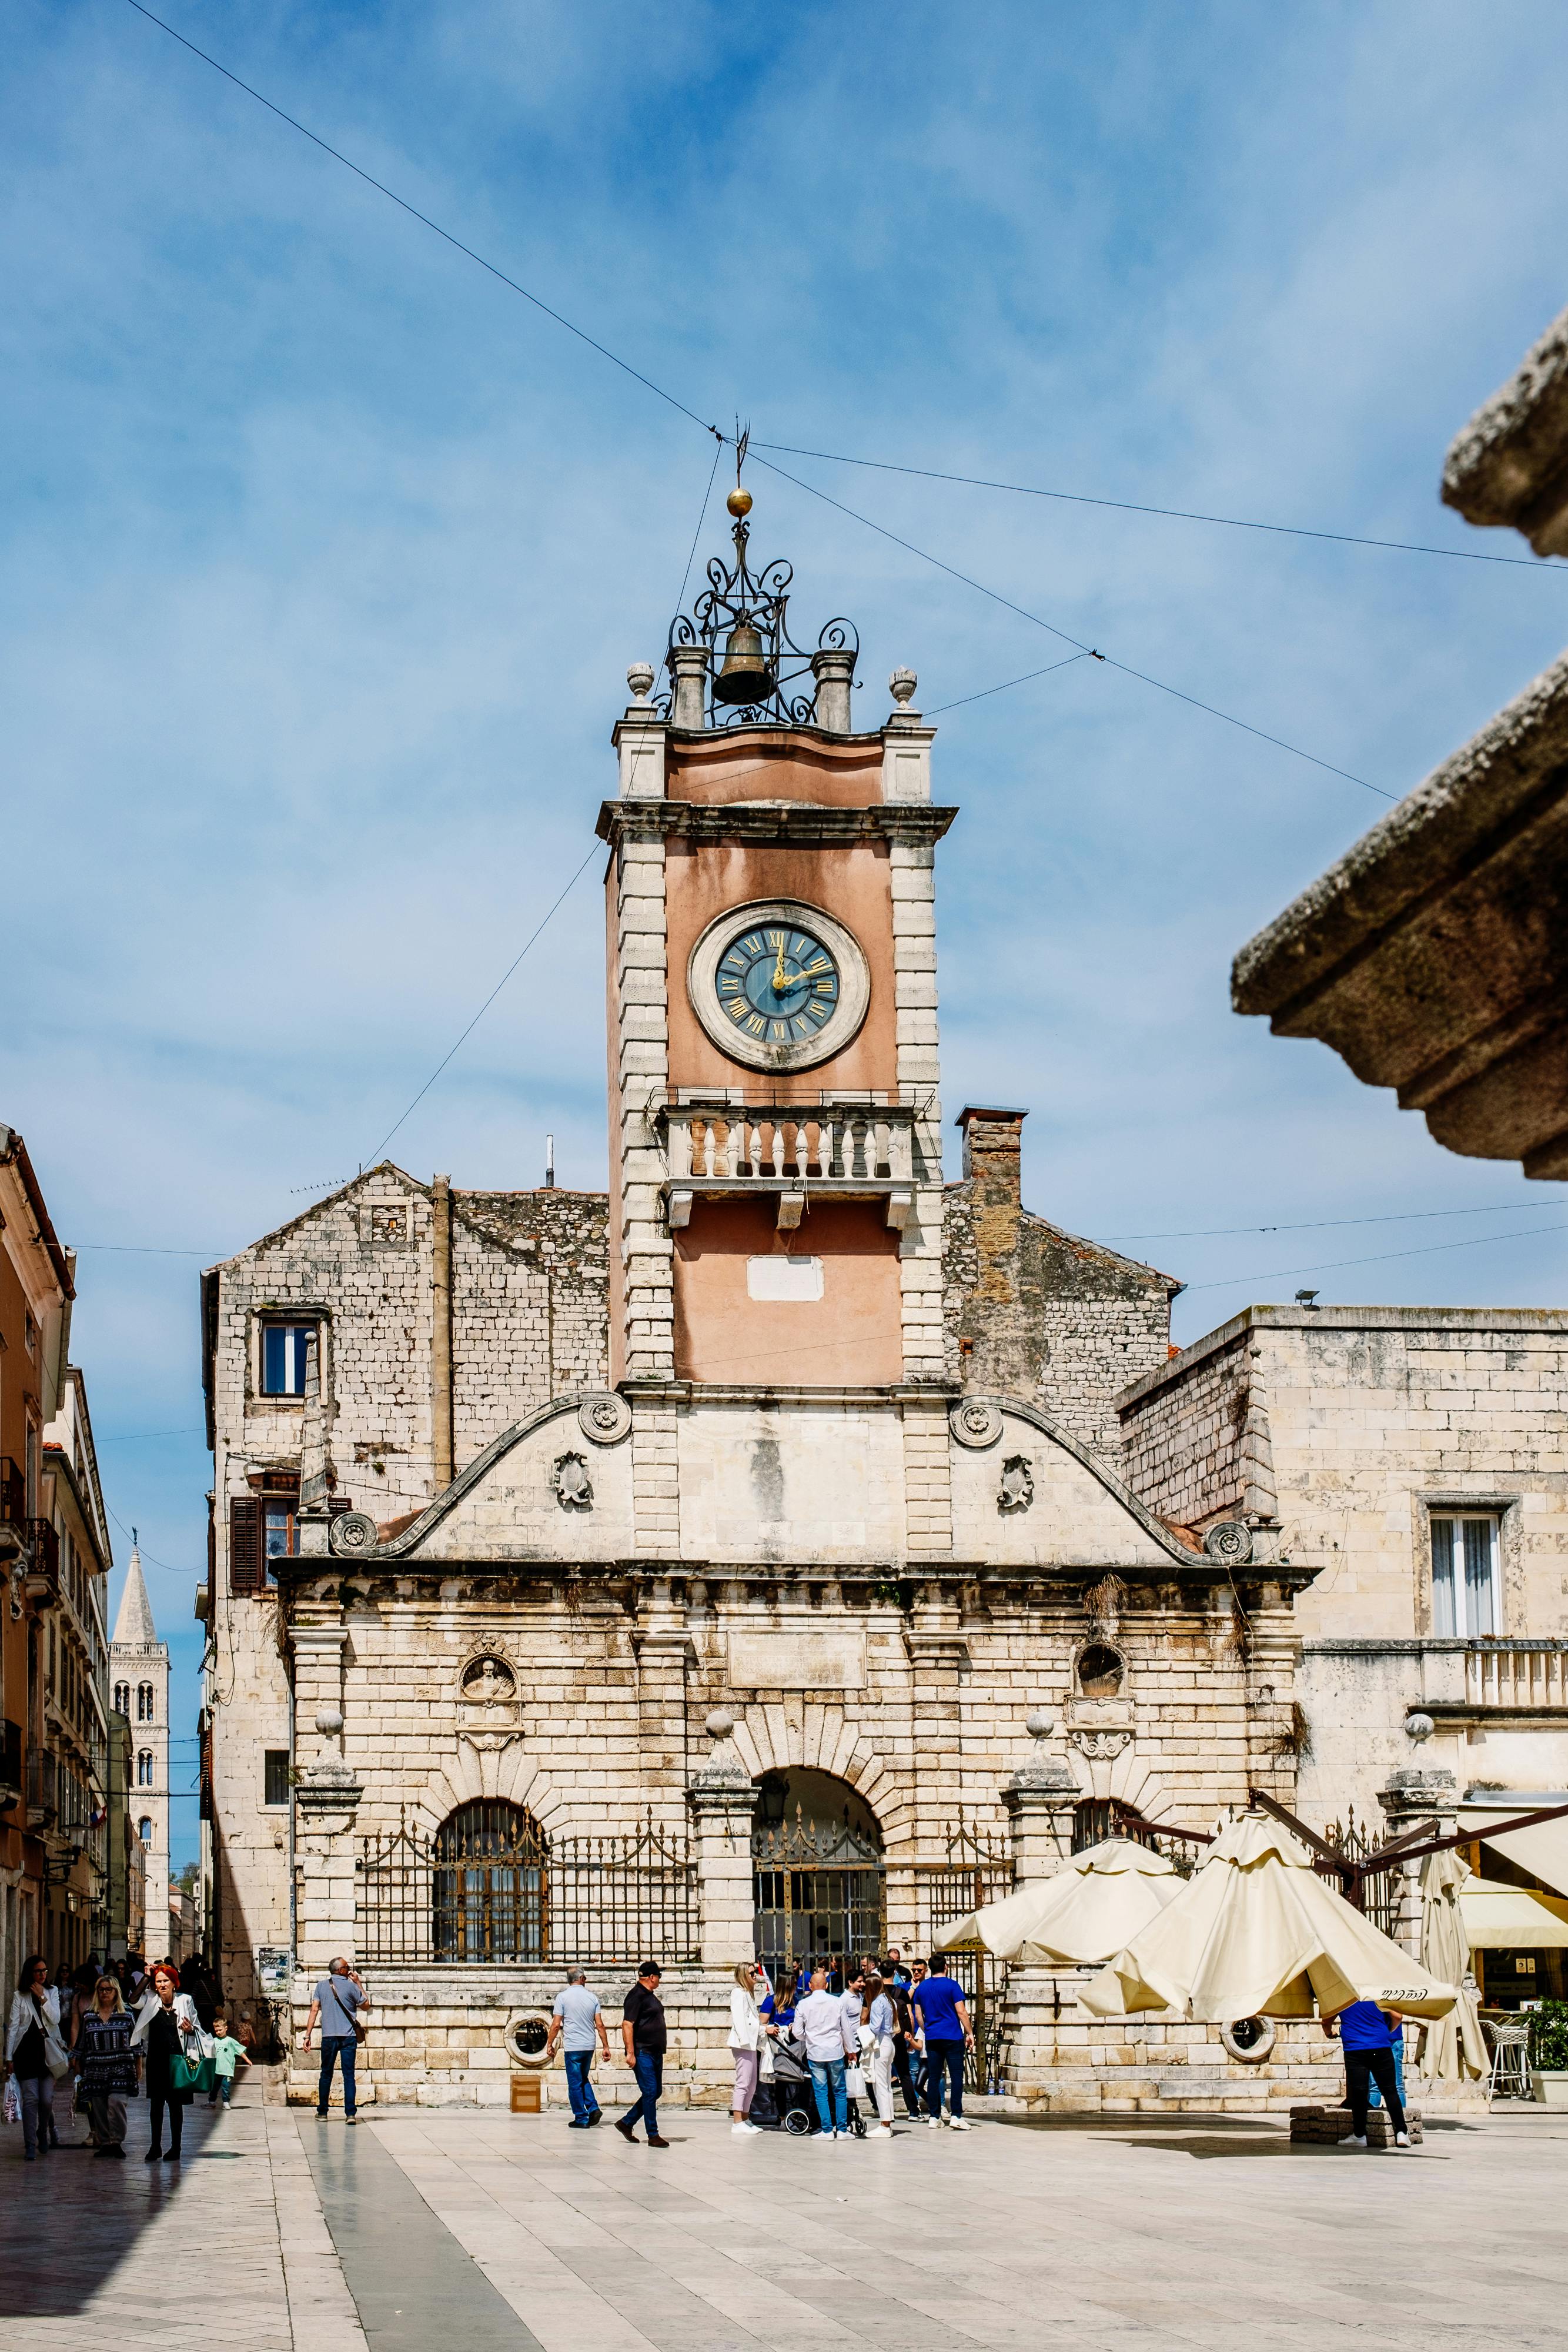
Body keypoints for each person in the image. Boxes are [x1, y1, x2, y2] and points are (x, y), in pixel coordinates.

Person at [129, 1961, 202, 2161]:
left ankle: (176, 2147)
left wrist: (190, 2030)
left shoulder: (185, 2001)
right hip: (157, 2059)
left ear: (174, 1983)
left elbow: (197, 2027)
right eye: (158, 1981)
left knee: (175, 2106)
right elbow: (133, 2000)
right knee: (156, 2105)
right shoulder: (151, 2000)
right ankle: (155, 2146)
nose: (162, 1985)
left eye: (166, 1981)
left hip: (177, 2060)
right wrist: (146, 1977)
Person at [5, 1955, 66, 2161]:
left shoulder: (52, 1991)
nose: (42, 1974)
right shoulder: (19, 1996)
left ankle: (43, 2130)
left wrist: (42, 1998)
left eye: (45, 1971)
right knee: (31, 2099)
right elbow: (13, 2027)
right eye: (38, 1971)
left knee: (46, 2100)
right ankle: (30, 2143)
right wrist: (8, 2058)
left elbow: (56, 2019)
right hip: (25, 2054)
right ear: (30, 1973)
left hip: (47, 2054)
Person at [1324, 2001, 1410, 2148]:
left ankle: (1359, 2135)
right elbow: (1398, 2017)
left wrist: (1330, 2034)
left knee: (1359, 2093)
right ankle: (1402, 2133)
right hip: (1381, 2046)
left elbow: (1326, 2022)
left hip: (1354, 2049)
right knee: (1390, 2091)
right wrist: (1386, 2032)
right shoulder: (1375, 1995)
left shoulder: (1342, 1999)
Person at [74, 1975, 138, 2157]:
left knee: (116, 2102)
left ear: (116, 1991)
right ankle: (105, 2142)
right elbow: (82, 2042)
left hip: (121, 2067)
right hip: (96, 2069)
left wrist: (139, 2065)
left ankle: (116, 2141)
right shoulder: (89, 2015)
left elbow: (136, 2041)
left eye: (108, 1989)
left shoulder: (126, 2014)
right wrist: (77, 2062)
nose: (104, 1993)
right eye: (101, 1989)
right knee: (99, 2107)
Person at [793, 1966, 858, 2140]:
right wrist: (851, 2050)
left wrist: (810, 2037)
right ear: (827, 1985)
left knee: (821, 2091)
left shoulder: (803, 2004)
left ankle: (827, 2130)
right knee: (839, 2091)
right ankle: (842, 2130)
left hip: (816, 2053)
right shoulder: (837, 2002)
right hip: (835, 2051)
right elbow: (847, 2028)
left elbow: (797, 2032)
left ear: (810, 1985)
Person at [302, 1956, 368, 2125]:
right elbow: (366, 2005)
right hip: (349, 2037)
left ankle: (323, 2112)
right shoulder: (351, 1986)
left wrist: (308, 2035)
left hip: (329, 2036)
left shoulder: (322, 1986)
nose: (350, 1969)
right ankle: (350, 2114)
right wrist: (358, 1982)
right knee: (349, 2075)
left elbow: (314, 2010)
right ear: (341, 1970)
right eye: (347, 1967)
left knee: (326, 2074)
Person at [914, 1956, 974, 2130]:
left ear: (929, 1969)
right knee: (956, 2076)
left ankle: (934, 2116)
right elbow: (961, 2011)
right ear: (946, 1967)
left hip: (933, 2037)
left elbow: (919, 2016)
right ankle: (956, 2115)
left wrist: (928, 2030)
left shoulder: (922, 1988)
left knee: (933, 2077)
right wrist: (970, 2032)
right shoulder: (952, 1985)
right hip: (953, 2036)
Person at [546, 1969, 610, 2128]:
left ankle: (581, 2118)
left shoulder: (562, 1997)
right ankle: (593, 2107)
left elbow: (555, 2025)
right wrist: (606, 2046)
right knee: (583, 2078)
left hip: (573, 2047)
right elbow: (600, 2025)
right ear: (581, 1979)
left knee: (575, 2083)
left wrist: (550, 2044)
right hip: (589, 2046)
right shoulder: (592, 1997)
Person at [616, 1961, 670, 2149]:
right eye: (659, 1976)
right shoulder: (636, 1996)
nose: (660, 1980)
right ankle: (653, 2135)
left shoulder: (649, 1996)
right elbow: (627, 2024)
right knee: (649, 2091)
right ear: (652, 1977)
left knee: (656, 2091)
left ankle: (626, 2123)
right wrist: (630, 2052)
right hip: (642, 2051)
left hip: (655, 2051)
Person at [728, 1962, 773, 2135]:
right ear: (743, 1976)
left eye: (755, 1973)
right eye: (752, 1973)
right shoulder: (738, 1993)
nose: (755, 1976)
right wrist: (763, 2029)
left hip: (751, 2043)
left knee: (752, 2083)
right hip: (743, 2043)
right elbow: (742, 2021)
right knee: (743, 2082)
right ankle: (737, 2120)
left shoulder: (748, 1994)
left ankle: (745, 2118)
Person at [864, 1972, 898, 2137]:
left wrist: (863, 2030)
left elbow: (875, 2027)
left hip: (881, 2044)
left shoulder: (877, 2002)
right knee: (887, 2085)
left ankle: (884, 2125)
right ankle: (888, 2122)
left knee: (880, 2086)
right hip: (889, 2043)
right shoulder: (888, 2000)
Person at [208, 2014, 250, 2110]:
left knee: (226, 2088)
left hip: (227, 2070)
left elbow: (240, 2051)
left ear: (225, 2028)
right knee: (214, 2087)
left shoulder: (230, 2041)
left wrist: (247, 2060)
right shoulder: (214, 2041)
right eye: (216, 2031)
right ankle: (211, 2102)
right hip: (216, 2070)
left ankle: (226, 2102)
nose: (218, 2032)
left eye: (220, 2030)